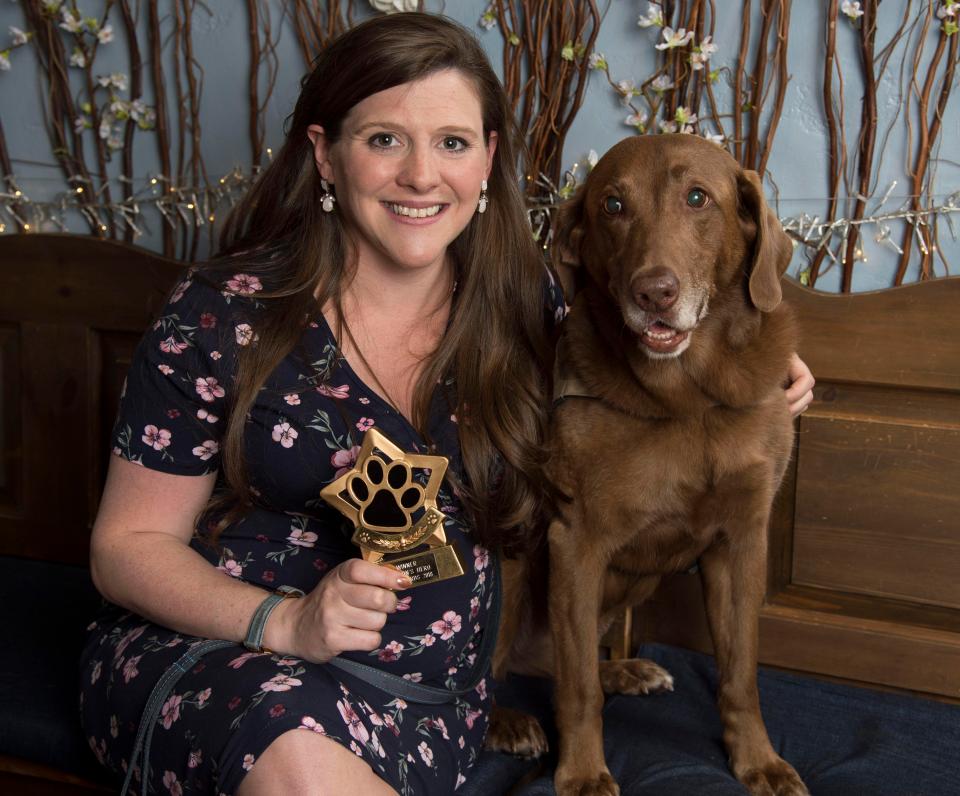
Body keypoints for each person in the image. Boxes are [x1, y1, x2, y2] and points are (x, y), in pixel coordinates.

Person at [79, 11, 815, 796]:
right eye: (385, 139)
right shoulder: (220, 315)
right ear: (326, 155)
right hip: (229, 657)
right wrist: (283, 622)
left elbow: (644, 341)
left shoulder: (523, 306)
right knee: (294, 755)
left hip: (429, 700)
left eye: (453, 143)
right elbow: (125, 547)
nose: (422, 176)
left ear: (487, 161)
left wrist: (758, 366)